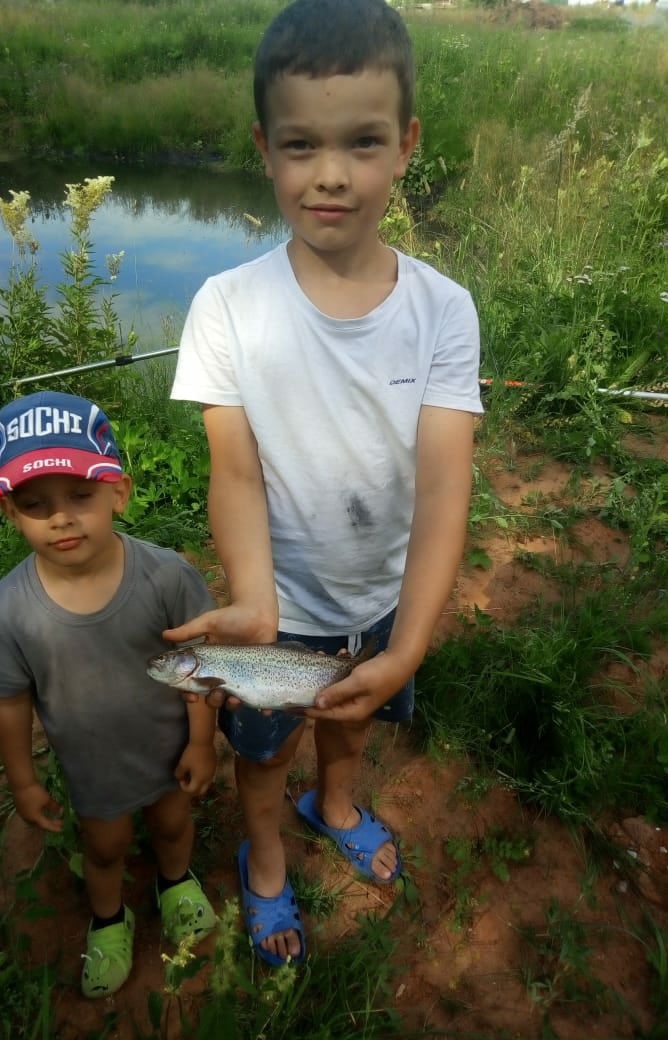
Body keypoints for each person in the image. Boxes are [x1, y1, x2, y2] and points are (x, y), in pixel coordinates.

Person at [166, 0, 483, 966]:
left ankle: (336, 801)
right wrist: (256, 599)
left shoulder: (443, 309)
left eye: (363, 141)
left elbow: (442, 491)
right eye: (301, 144)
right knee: (261, 753)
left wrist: (410, 641)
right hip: (283, 609)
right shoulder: (227, 307)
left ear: (406, 145)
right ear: (264, 147)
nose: (332, 174)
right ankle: (266, 859)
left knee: (354, 720)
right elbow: (237, 473)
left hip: (386, 598)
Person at [0, 390, 218, 998]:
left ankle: (175, 881)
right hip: (94, 770)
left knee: (173, 821)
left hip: (169, 749)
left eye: (81, 495)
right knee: (103, 846)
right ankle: (108, 920)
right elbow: (8, 701)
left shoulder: (166, 577)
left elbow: (201, 666)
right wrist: (24, 781)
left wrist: (204, 741)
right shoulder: (5, 611)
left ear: (118, 493)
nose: (61, 517)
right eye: (35, 504)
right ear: (9, 512)